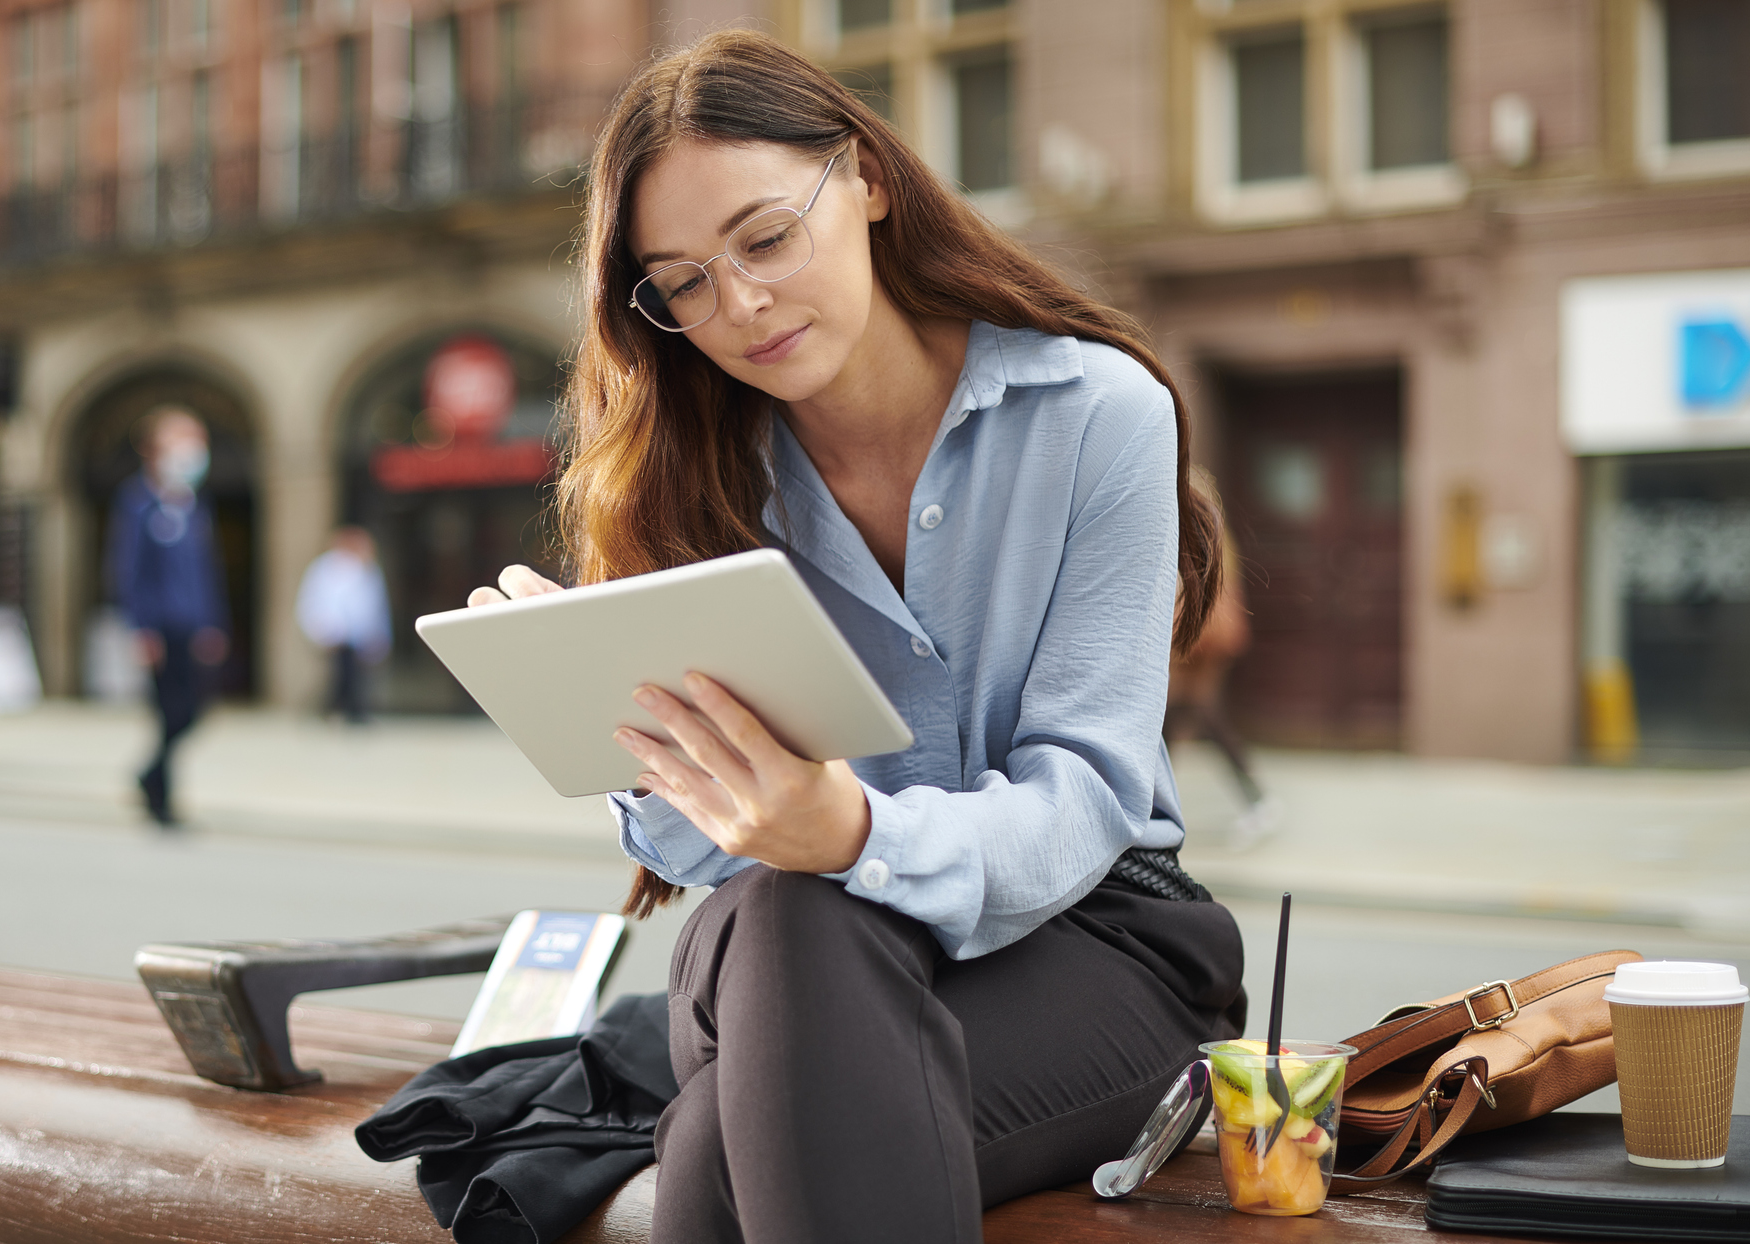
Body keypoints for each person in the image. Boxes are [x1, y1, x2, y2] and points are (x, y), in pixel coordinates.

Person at [463, 31, 1246, 1243]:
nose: (740, 306)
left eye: (764, 238)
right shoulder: (686, 476)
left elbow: (1087, 792)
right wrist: (627, 729)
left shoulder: (1096, 414)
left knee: (730, 1134)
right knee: (788, 913)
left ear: (869, 179)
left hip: (1093, 942)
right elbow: (705, 854)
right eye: (682, 284)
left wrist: (854, 831)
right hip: (783, 958)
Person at [105, 406, 229, 827]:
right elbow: (129, 570)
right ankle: (163, 799)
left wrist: (212, 623)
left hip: (193, 627)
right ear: (156, 448)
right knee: (169, 712)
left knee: (192, 712)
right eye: (185, 440)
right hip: (161, 629)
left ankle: (150, 776)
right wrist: (141, 628)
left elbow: (205, 572)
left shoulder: (194, 504)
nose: (195, 450)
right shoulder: (138, 502)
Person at [1162, 468, 1275, 848]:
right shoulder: (1211, 522)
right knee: (1177, 716)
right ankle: (1155, 809)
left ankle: (1258, 800)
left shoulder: (1194, 522)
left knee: (1195, 713)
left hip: (1201, 635)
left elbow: (1194, 586)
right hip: (1206, 633)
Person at [295, 525, 390, 724]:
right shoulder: (326, 568)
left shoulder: (368, 569)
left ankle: (350, 712)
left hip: (361, 636)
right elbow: (314, 601)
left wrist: (380, 636)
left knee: (356, 678)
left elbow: (375, 606)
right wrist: (321, 630)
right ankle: (333, 711)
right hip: (336, 634)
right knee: (340, 677)